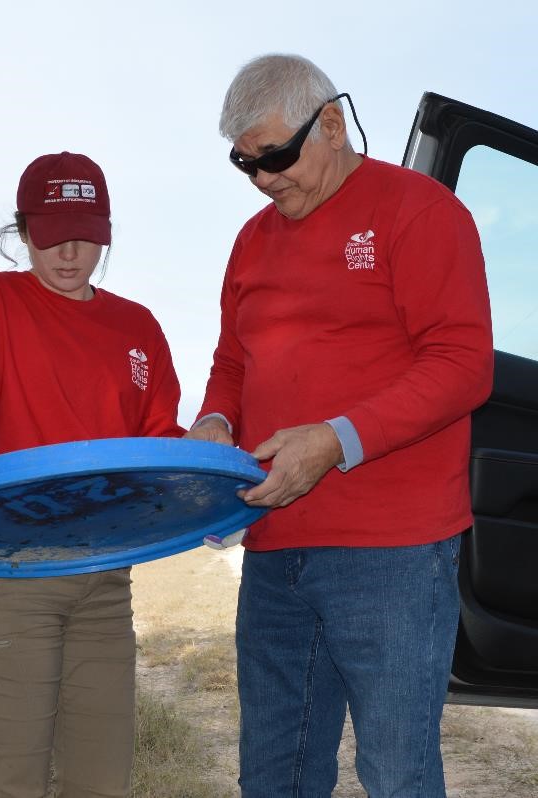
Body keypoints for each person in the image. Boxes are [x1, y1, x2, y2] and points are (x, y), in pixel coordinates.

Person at [186, 54, 493, 797]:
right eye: (244, 165)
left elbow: (461, 365)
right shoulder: (251, 241)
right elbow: (232, 360)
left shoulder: (417, 211)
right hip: (273, 550)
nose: (262, 179)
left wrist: (334, 441)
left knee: (396, 773)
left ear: (330, 122)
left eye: (275, 158)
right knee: (273, 772)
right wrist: (213, 419)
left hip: (390, 554)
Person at [0, 152, 184, 797]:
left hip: (104, 578)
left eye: (85, 235)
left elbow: (158, 445)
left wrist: (206, 495)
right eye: (48, 236)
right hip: (5, 570)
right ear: (22, 232)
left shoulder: (137, 328)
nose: (69, 253)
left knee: (102, 782)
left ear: (106, 230)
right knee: (9, 780)